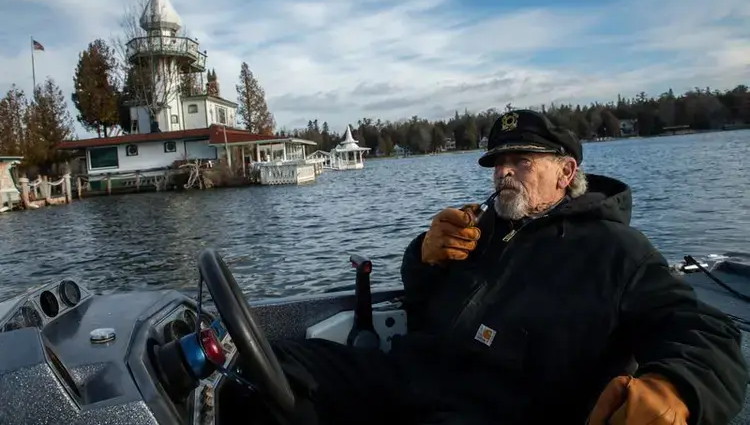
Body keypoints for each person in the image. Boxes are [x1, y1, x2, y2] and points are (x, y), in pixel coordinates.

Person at [269, 109, 748, 425]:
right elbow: (418, 298)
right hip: (408, 379)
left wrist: (678, 386)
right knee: (268, 367)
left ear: (566, 172)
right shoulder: (475, 229)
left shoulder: (616, 249)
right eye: (498, 162)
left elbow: (702, 330)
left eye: (521, 160)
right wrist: (423, 256)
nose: (503, 172)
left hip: (498, 409)